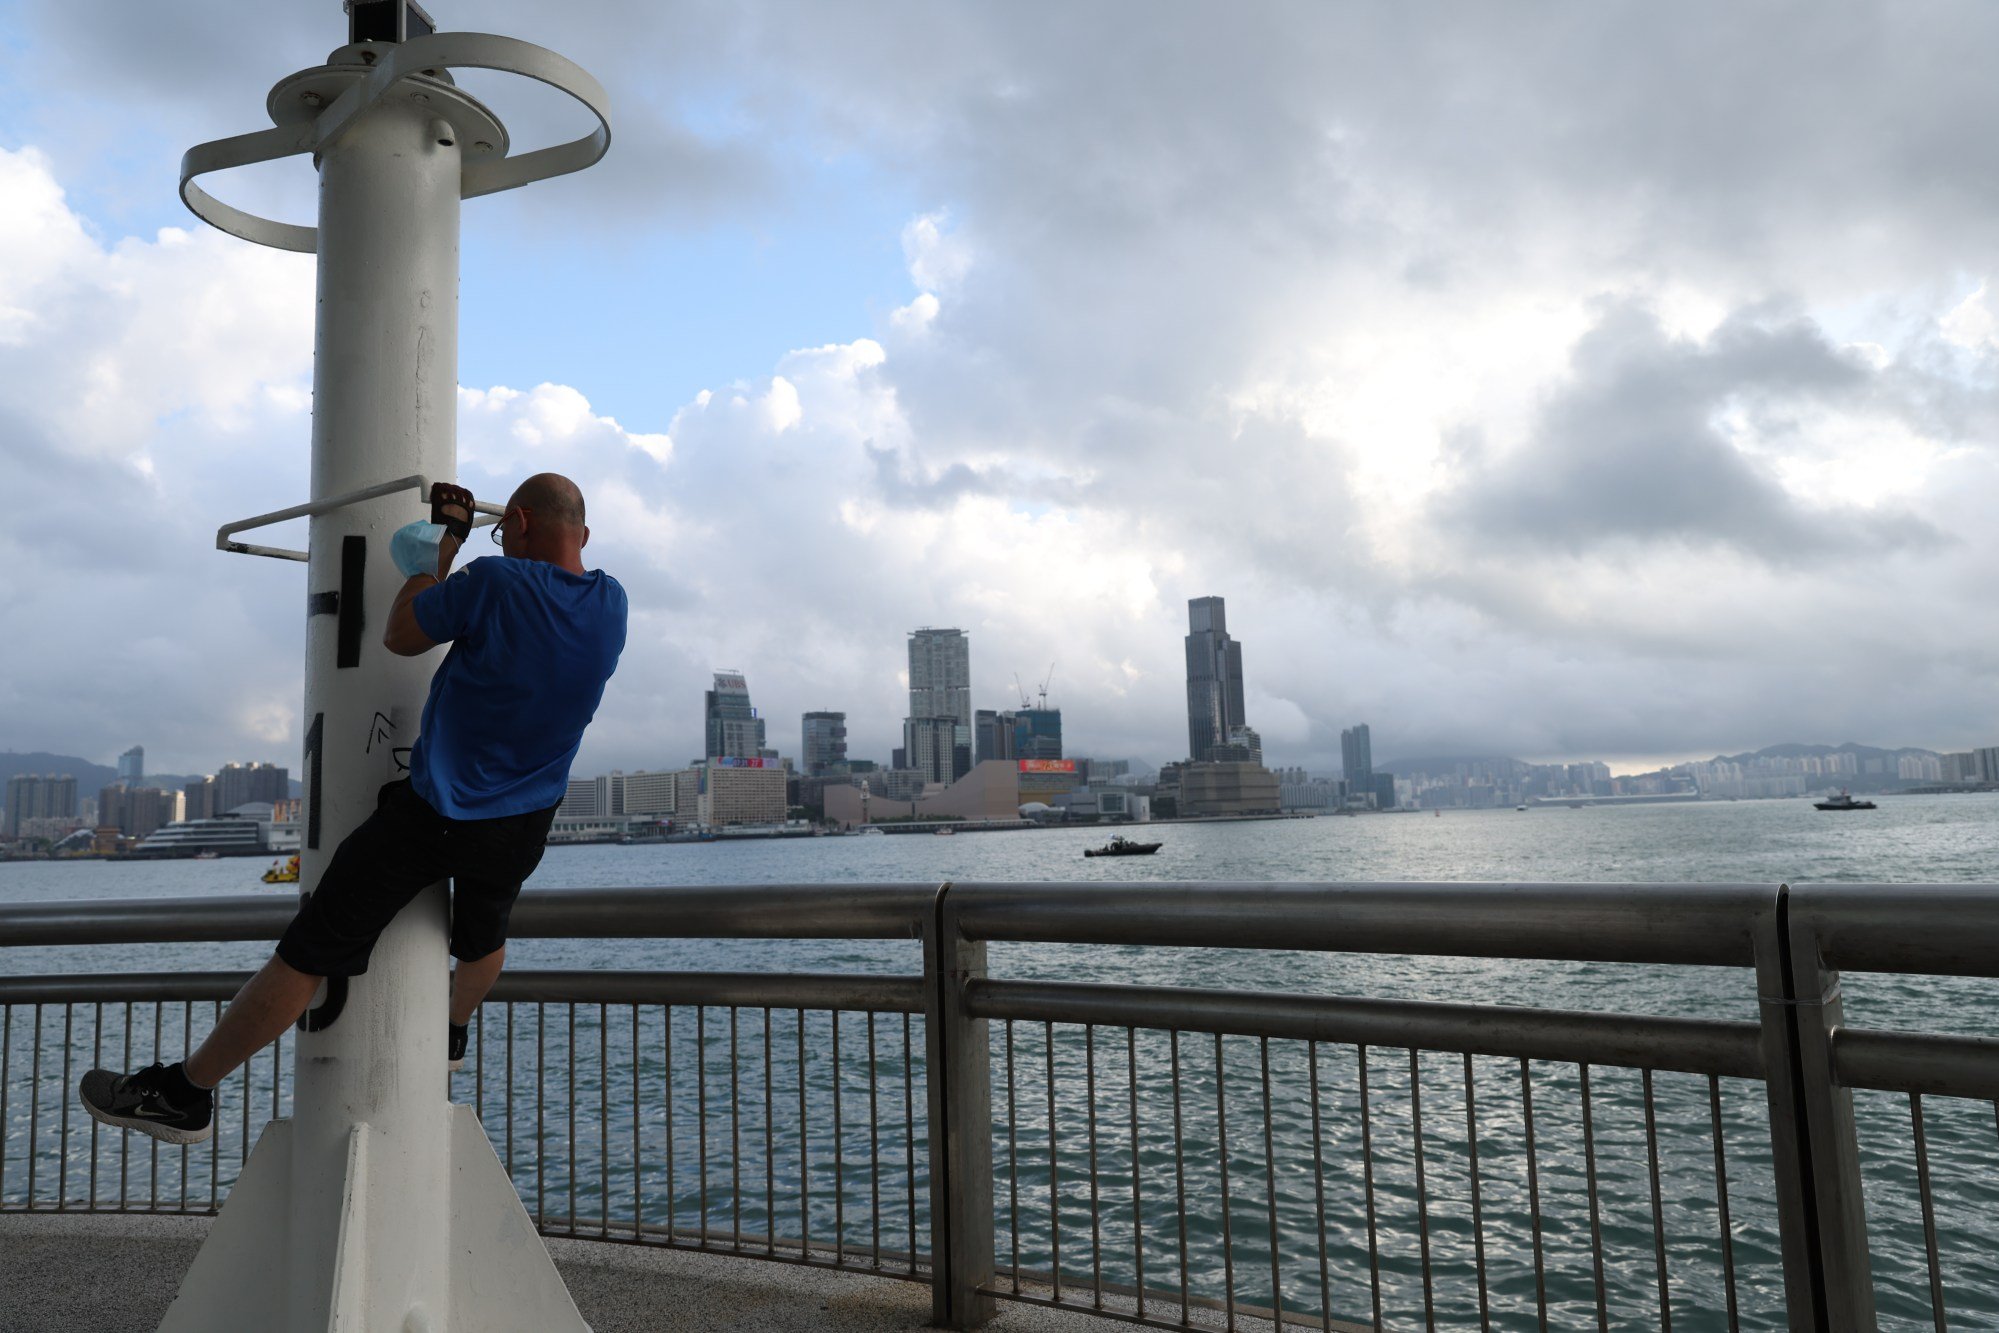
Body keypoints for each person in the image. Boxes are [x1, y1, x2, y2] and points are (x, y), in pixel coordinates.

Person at [80, 473, 627, 1143]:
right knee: (483, 938)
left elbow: (402, 633)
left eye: (499, 531)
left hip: (436, 814)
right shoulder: (612, 603)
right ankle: (452, 1030)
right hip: (525, 820)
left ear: (515, 521)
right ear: (584, 534)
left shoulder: (496, 583)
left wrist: (443, 543)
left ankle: (183, 1093)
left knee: (307, 954)